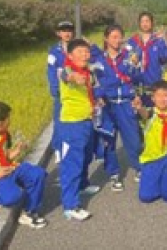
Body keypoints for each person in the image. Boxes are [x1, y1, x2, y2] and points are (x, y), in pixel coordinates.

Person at [91, 25, 142, 190]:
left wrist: (135, 66)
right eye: (113, 37)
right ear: (106, 39)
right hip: (108, 105)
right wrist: (98, 96)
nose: (117, 40)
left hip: (126, 103)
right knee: (109, 141)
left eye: (120, 36)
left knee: (134, 140)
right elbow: (93, 82)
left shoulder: (128, 56)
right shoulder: (97, 59)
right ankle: (114, 175)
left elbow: (136, 78)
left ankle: (138, 168)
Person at [58, 38, 101, 221]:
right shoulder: (67, 69)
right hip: (72, 124)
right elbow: (65, 76)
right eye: (80, 52)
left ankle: (83, 184)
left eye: (86, 51)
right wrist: (73, 77)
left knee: (85, 157)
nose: (85, 55)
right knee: (72, 164)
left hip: (86, 121)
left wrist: (97, 102)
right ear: (70, 55)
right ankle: (71, 206)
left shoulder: (88, 71)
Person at [133, 81, 167, 207]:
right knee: (146, 196)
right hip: (151, 160)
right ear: (153, 98)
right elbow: (144, 115)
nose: (162, 99)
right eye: (158, 96)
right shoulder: (151, 113)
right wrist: (139, 108)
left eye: (165, 95)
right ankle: (160, 182)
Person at [126, 12, 167, 107]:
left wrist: (161, 42)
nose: (145, 24)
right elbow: (126, 61)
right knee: (138, 112)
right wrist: (132, 60)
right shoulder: (133, 41)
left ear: (152, 23)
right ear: (139, 23)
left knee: (153, 113)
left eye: (147, 21)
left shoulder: (158, 41)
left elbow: (165, 57)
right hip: (136, 87)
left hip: (153, 86)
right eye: (142, 21)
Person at [46, 21, 74, 159]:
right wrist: (55, 88)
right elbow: (51, 71)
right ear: (58, 33)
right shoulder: (54, 52)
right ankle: (58, 148)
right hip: (61, 92)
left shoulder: (77, 47)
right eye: (63, 31)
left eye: (69, 30)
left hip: (75, 91)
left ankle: (71, 145)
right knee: (59, 120)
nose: (67, 33)